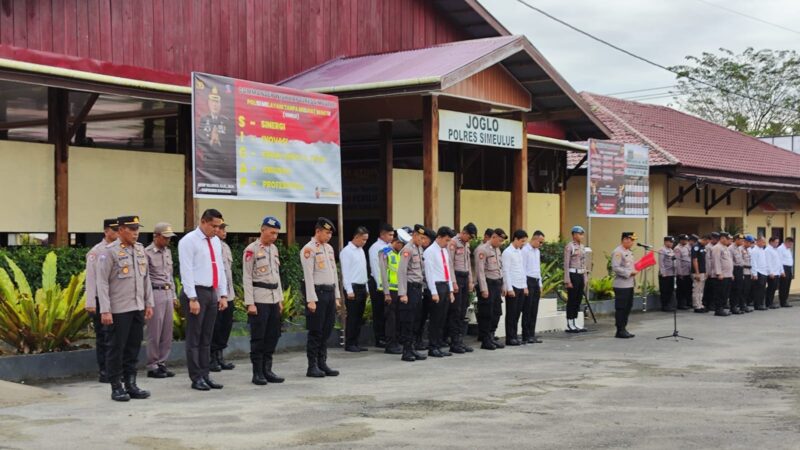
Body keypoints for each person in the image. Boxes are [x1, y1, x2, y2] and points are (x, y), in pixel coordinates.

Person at [95, 215, 155, 401]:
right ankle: (116, 386)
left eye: (137, 228)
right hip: (118, 309)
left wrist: (149, 303)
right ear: (121, 230)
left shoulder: (140, 250)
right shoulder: (109, 252)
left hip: (137, 306)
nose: (136, 232)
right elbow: (102, 283)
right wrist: (105, 310)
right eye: (131, 229)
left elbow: (146, 279)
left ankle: (131, 384)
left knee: (133, 348)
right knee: (116, 348)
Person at [177, 208, 229, 391]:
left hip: (211, 291)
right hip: (196, 292)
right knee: (195, 336)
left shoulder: (215, 241)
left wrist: (223, 294)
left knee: (207, 337)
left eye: (219, 226)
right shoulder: (188, 241)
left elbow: (219, 268)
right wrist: (192, 297)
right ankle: (196, 376)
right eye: (214, 226)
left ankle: (205, 374)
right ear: (204, 222)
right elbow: (186, 270)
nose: (216, 230)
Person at [243, 216, 285, 385]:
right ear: (263, 230)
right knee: (258, 337)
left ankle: (268, 370)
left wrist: (280, 299)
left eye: (276, 233)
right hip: (259, 298)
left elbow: (277, 276)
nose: (274, 236)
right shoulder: (251, 249)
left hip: (274, 298)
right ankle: (257, 372)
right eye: (272, 232)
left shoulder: (274, 249)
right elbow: (247, 277)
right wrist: (250, 303)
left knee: (273, 336)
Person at [301, 217, 341, 378]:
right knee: (316, 331)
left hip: (330, 293)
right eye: (326, 232)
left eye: (330, 233)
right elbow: (308, 276)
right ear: (317, 231)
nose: (329, 236)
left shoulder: (329, 249)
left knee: (327, 329)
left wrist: (337, 296)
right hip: (317, 294)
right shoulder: (309, 249)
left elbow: (334, 273)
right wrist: (311, 299)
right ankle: (312, 365)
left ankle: (322, 362)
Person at [84, 218, 118, 383]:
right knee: (103, 337)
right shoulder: (96, 252)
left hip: (117, 299)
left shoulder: (121, 249)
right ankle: (104, 371)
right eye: (114, 230)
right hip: (99, 300)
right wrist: (90, 303)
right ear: (106, 231)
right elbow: (91, 279)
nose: (118, 233)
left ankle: (115, 369)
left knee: (115, 337)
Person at [144, 222, 177, 379]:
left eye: (169, 238)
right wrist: (147, 301)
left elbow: (170, 275)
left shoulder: (167, 252)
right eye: (165, 238)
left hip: (167, 292)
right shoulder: (147, 253)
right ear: (156, 236)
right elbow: (144, 279)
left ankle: (162, 363)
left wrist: (174, 295)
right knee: (154, 331)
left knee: (167, 331)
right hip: (155, 293)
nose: (167, 241)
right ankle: (152, 365)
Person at [397, 225, 429, 362]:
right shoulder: (407, 250)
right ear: (414, 235)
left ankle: (413, 348)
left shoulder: (419, 249)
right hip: (409, 288)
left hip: (417, 288)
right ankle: (406, 351)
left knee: (416, 319)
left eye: (424, 238)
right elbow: (401, 272)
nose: (422, 240)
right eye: (420, 237)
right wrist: (403, 293)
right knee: (408, 320)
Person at [423, 227, 457, 357]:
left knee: (442, 318)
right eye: (446, 240)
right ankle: (433, 347)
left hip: (444, 285)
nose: (447, 243)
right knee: (435, 319)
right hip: (435, 286)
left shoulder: (444, 251)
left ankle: (438, 344)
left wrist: (450, 290)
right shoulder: (430, 251)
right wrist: (433, 291)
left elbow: (447, 271)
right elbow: (429, 273)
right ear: (439, 237)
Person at [446, 223, 477, 354]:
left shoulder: (466, 244)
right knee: (456, 311)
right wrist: (453, 282)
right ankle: (454, 341)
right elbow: (450, 264)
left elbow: (468, 264)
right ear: (463, 233)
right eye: (469, 237)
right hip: (457, 278)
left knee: (463, 309)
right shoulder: (453, 243)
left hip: (465, 277)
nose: (469, 240)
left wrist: (470, 281)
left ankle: (459, 340)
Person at [474, 228, 507, 350]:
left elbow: (500, 268)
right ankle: (485, 339)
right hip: (487, 284)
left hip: (496, 283)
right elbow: (480, 271)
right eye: (499, 240)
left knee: (496, 311)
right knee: (486, 313)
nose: (500, 243)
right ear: (493, 237)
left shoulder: (497, 250)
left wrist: (503, 285)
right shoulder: (482, 250)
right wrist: (483, 288)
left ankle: (491, 336)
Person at [380, 229, 411, 356]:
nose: (402, 247)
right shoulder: (385, 251)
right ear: (396, 242)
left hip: (400, 290)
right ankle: (390, 344)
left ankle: (397, 342)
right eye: (401, 244)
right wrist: (386, 293)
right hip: (390, 291)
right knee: (391, 319)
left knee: (399, 318)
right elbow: (383, 272)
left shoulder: (400, 252)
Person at [210, 221, 236, 372]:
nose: (224, 231)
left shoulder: (225, 247)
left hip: (229, 293)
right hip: (217, 295)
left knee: (226, 326)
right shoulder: (212, 246)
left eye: (225, 228)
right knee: (216, 326)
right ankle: (212, 358)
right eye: (221, 228)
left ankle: (220, 356)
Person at [340, 226, 370, 353]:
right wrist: (349, 290)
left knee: (359, 317)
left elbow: (363, 270)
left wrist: (367, 287)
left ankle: (356, 342)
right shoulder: (347, 251)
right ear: (356, 237)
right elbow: (345, 272)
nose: (364, 242)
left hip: (362, 285)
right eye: (363, 239)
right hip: (352, 287)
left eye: (366, 240)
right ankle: (350, 343)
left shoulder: (360, 250)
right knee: (352, 317)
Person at [367, 224, 394, 348]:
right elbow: (376, 268)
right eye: (389, 235)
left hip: (389, 284)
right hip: (378, 283)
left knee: (387, 312)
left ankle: (387, 336)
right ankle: (379, 338)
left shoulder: (389, 247)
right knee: (379, 312)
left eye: (393, 235)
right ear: (382, 234)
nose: (391, 237)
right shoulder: (375, 248)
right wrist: (381, 287)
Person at [502, 230, 528, 346]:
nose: (523, 244)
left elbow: (522, 270)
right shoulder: (507, 252)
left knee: (517, 313)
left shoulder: (519, 251)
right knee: (511, 313)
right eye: (522, 241)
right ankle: (510, 337)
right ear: (516, 239)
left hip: (520, 285)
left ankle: (514, 335)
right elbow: (506, 271)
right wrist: (509, 288)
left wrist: (525, 286)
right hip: (512, 286)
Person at [611, 232, 639, 338]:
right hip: (621, 285)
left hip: (629, 284)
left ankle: (624, 328)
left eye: (633, 240)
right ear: (625, 240)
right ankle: (619, 330)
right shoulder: (618, 252)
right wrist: (629, 273)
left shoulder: (628, 252)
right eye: (631, 240)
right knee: (621, 308)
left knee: (628, 307)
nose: (632, 242)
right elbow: (616, 267)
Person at [521, 230, 544, 344]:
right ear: (534, 239)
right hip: (528, 280)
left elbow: (538, 269)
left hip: (535, 280)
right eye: (540, 242)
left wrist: (540, 284)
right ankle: (526, 335)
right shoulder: (525, 250)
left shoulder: (537, 251)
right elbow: (523, 268)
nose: (541, 245)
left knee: (534, 309)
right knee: (527, 309)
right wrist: (524, 285)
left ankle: (532, 333)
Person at [563, 225, 587, 333]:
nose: (581, 236)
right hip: (573, 274)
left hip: (580, 274)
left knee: (578, 299)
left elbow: (584, 263)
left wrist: (585, 278)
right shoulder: (570, 246)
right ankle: (570, 323)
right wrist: (567, 280)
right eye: (579, 234)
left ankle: (575, 321)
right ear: (574, 235)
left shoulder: (582, 247)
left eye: (582, 234)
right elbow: (566, 264)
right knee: (572, 300)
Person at [711, 232, 733, 317]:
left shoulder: (725, 247)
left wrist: (731, 273)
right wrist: (718, 273)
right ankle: (718, 309)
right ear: (722, 238)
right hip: (721, 275)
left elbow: (728, 261)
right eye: (728, 239)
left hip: (727, 274)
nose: (729, 241)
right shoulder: (717, 248)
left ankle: (722, 308)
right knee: (720, 293)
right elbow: (716, 261)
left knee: (725, 293)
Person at [750, 236, 769, 311]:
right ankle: (757, 305)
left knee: (762, 289)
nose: (764, 244)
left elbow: (764, 261)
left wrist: (767, 271)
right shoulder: (755, 250)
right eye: (763, 242)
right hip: (758, 272)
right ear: (758, 242)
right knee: (758, 290)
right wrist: (754, 273)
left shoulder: (762, 250)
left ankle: (761, 303)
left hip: (764, 272)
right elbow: (753, 262)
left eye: (764, 242)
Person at [674, 234, 693, 310]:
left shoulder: (687, 247)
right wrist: (680, 273)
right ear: (680, 240)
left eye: (686, 240)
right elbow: (677, 262)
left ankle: (688, 302)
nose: (685, 241)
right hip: (682, 273)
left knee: (688, 288)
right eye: (684, 240)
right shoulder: (677, 249)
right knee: (681, 289)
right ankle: (681, 304)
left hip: (688, 272)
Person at [690, 234, 708, 313]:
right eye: (707, 242)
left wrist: (705, 271)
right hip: (697, 272)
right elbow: (695, 260)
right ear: (704, 239)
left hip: (703, 271)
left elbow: (704, 260)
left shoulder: (703, 247)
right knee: (697, 289)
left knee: (701, 289)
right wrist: (697, 273)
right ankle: (696, 306)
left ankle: (700, 304)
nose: (707, 243)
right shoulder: (695, 246)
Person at [658, 236, 676, 312]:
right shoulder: (662, 250)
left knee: (670, 290)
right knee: (664, 291)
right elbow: (661, 262)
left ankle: (669, 305)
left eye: (672, 242)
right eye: (670, 242)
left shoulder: (671, 250)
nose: (672, 243)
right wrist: (663, 273)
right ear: (666, 242)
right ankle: (664, 306)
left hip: (671, 273)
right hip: (665, 274)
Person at [765, 237, 784, 309]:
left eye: (778, 242)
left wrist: (781, 271)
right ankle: (768, 303)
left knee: (774, 288)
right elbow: (768, 262)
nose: (777, 244)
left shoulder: (775, 250)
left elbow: (778, 262)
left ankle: (771, 302)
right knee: (770, 288)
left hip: (777, 272)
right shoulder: (768, 250)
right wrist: (770, 272)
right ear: (771, 242)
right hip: (772, 273)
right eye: (776, 242)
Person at [728, 234, 745, 315]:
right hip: (734, 269)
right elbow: (730, 262)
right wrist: (731, 273)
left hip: (740, 269)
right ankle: (733, 307)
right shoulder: (731, 248)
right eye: (741, 240)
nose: (742, 242)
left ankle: (736, 305)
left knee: (739, 289)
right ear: (736, 240)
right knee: (734, 289)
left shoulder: (739, 248)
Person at [703, 232, 720, 311]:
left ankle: (712, 304)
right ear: (712, 239)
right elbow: (707, 261)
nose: (716, 240)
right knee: (709, 290)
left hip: (714, 272)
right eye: (715, 239)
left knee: (714, 290)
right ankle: (708, 304)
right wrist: (708, 272)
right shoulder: (708, 247)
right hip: (710, 272)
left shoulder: (715, 247)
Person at [739, 235, 754, 313]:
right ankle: (742, 305)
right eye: (749, 243)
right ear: (746, 242)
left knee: (747, 289)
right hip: (743, 271)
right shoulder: (740, 249)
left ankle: (745, 304)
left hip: (749, 272)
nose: (750, 244)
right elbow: (740, 262)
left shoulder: (749, 249)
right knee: (743, 289)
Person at [777, 237, 794, 308]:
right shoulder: (780, 249)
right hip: (784, 268)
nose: (791, 246)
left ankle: (785, 300)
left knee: (787, 286)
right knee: (783, 286)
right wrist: (782, 271)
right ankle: (782, 302)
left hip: (789, 268)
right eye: (790, 244)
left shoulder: (788, 249)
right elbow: (779, 261)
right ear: (787, 242)